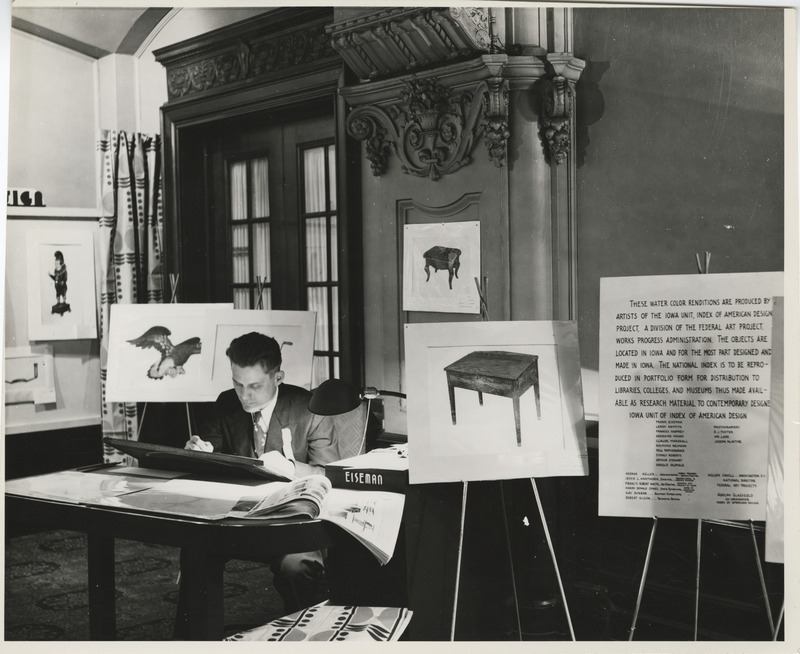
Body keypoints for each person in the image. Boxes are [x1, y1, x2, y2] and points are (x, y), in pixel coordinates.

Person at [180, 331, 338, 624]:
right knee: (195, 549)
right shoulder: (227, 403)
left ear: (278, 377)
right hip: (240, 516)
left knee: (297, 565)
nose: (244, 395)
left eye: (254, 386)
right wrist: (198, 452)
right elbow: (210, 455)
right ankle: (194, 637)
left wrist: (291, 468)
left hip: (293, 521)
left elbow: (331, 474)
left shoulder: (309, 409)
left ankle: (308, 636)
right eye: (237, 384)